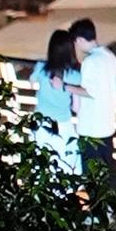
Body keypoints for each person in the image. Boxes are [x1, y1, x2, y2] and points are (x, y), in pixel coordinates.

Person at [67, 15, 116, 196]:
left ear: (81, 40)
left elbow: (89, 91)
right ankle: (115, 205)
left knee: (92, 172)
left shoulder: (90, 62)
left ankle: (98, 209)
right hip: (107, 123)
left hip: (90, 127)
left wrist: (67, 87)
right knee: (109, 168)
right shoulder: (110, 56)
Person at [30, 27, 83, 184]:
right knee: (67, 164)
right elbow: (76, 108)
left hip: (40, 122)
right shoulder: (74, 76)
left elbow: (32, 83)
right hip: (63, 123)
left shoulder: (41, 67)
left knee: (41, 165)